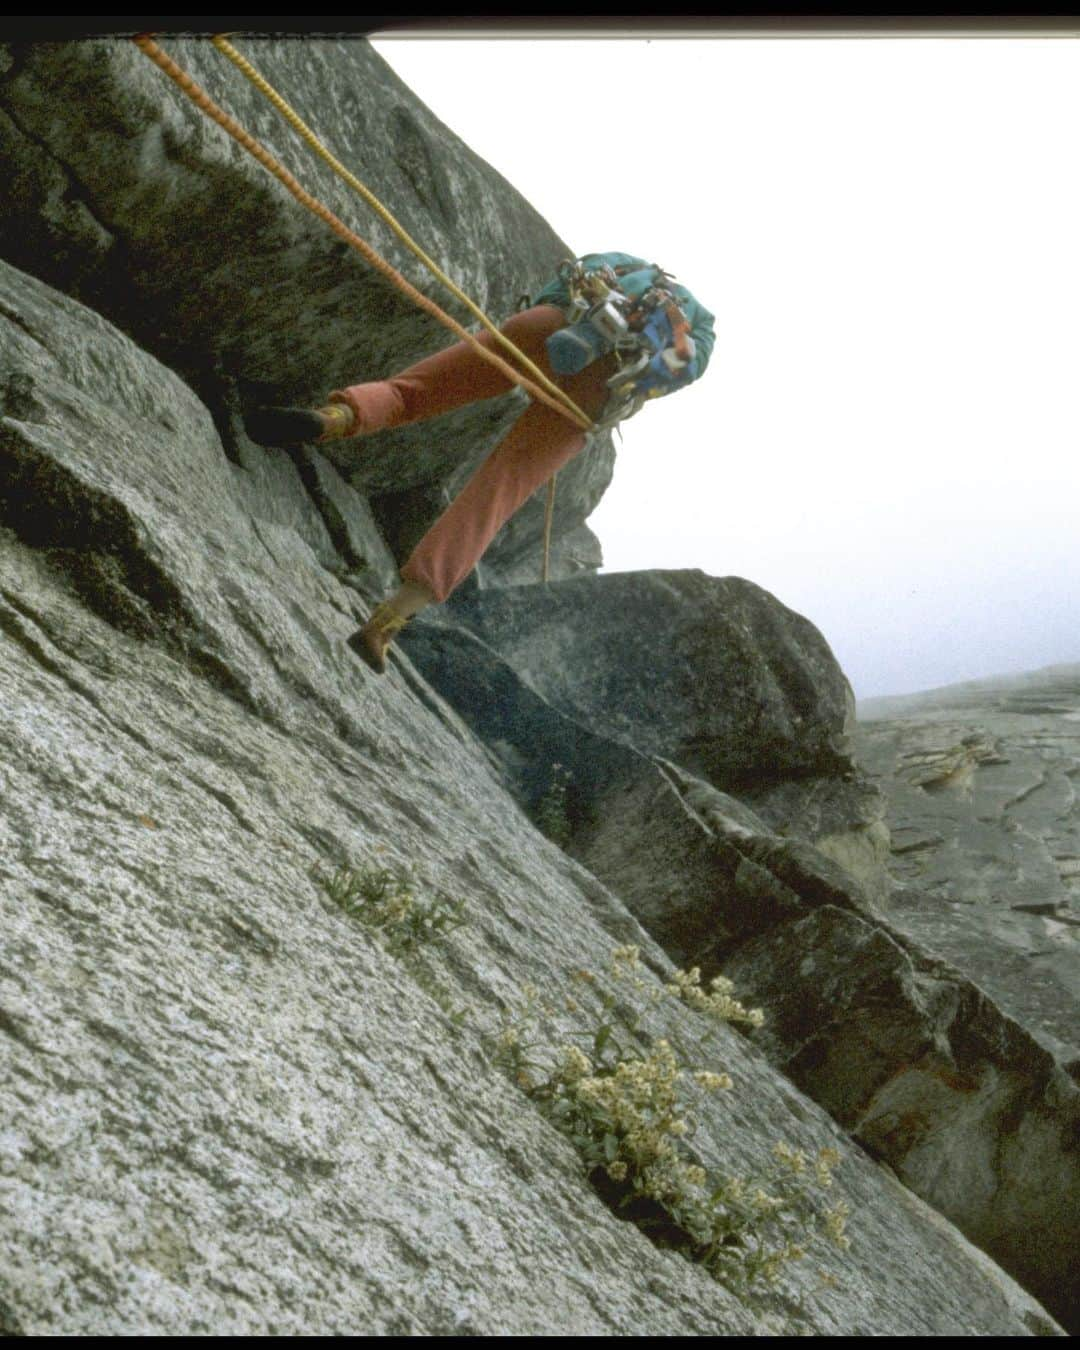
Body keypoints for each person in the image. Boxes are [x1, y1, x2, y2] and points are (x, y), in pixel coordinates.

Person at [247, 251, 715, 673]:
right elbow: (670, 378)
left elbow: (561, 285)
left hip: (552, 326)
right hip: (594, 394)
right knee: (494, 496)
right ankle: (387, 623)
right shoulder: (699, 329)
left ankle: (331, 417)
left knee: (417, 392)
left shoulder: (622, 265)